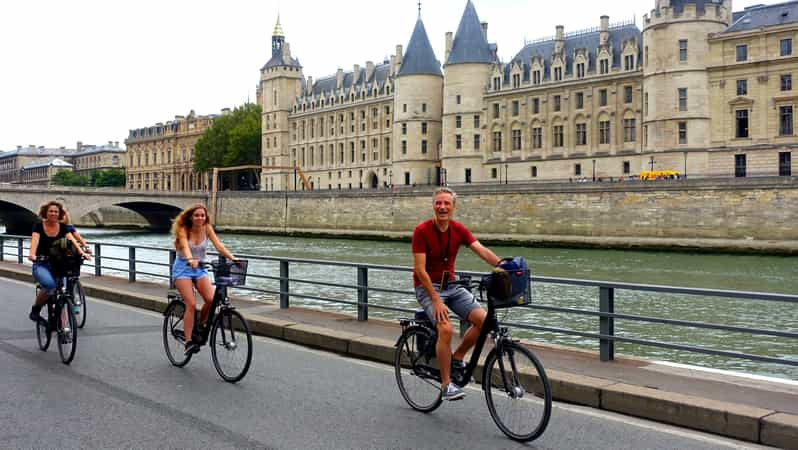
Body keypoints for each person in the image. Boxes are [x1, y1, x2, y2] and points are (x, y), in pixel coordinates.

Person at [412, 187, 501, 401]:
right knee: (446, 328)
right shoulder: (422, 231)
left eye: (447, 203)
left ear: (453, 207)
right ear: (433, 206)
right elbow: (420, 270)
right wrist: (435, 299)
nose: (442, 207)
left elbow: (482, 251)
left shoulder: (459, 230)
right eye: (438, 203)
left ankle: (458, 357)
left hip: (451, 285)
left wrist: (504, 266)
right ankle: (446, 385)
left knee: (485, 321)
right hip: (427, 287)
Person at [171, 204, 239, 355]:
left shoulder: (207, 228)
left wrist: (233, 258)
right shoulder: (183, 229)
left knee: (211, 299)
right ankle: (188, 341)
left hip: (200, 267)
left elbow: (219, 246)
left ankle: (200, 326)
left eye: (202, 215)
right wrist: (190, 258)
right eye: (197, 215)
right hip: (183, 268)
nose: (200, 218)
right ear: (190, 217)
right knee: (191, 303)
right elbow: (185, 247)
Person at [28, 201, 92, 321]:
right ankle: (35, 309)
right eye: (51, 211)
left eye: (56, 211)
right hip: (42, 263)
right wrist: (32, 254)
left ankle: (58, 320)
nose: (53, 213)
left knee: (62, 291)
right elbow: (35, 241)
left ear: (60, 214)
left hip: (58, 264)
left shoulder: (63, 228)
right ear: (46, 213)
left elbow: (72, 241)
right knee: (50, 286)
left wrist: (82, 252)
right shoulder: (38, 226)